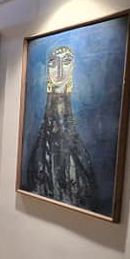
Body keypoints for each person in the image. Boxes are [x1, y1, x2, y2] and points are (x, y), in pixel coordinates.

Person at [24, 45, 98, 209]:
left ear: (72, 67)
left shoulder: (76, 119)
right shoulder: (42, 136)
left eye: (65, 61)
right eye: (53, 62)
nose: (58, 69)